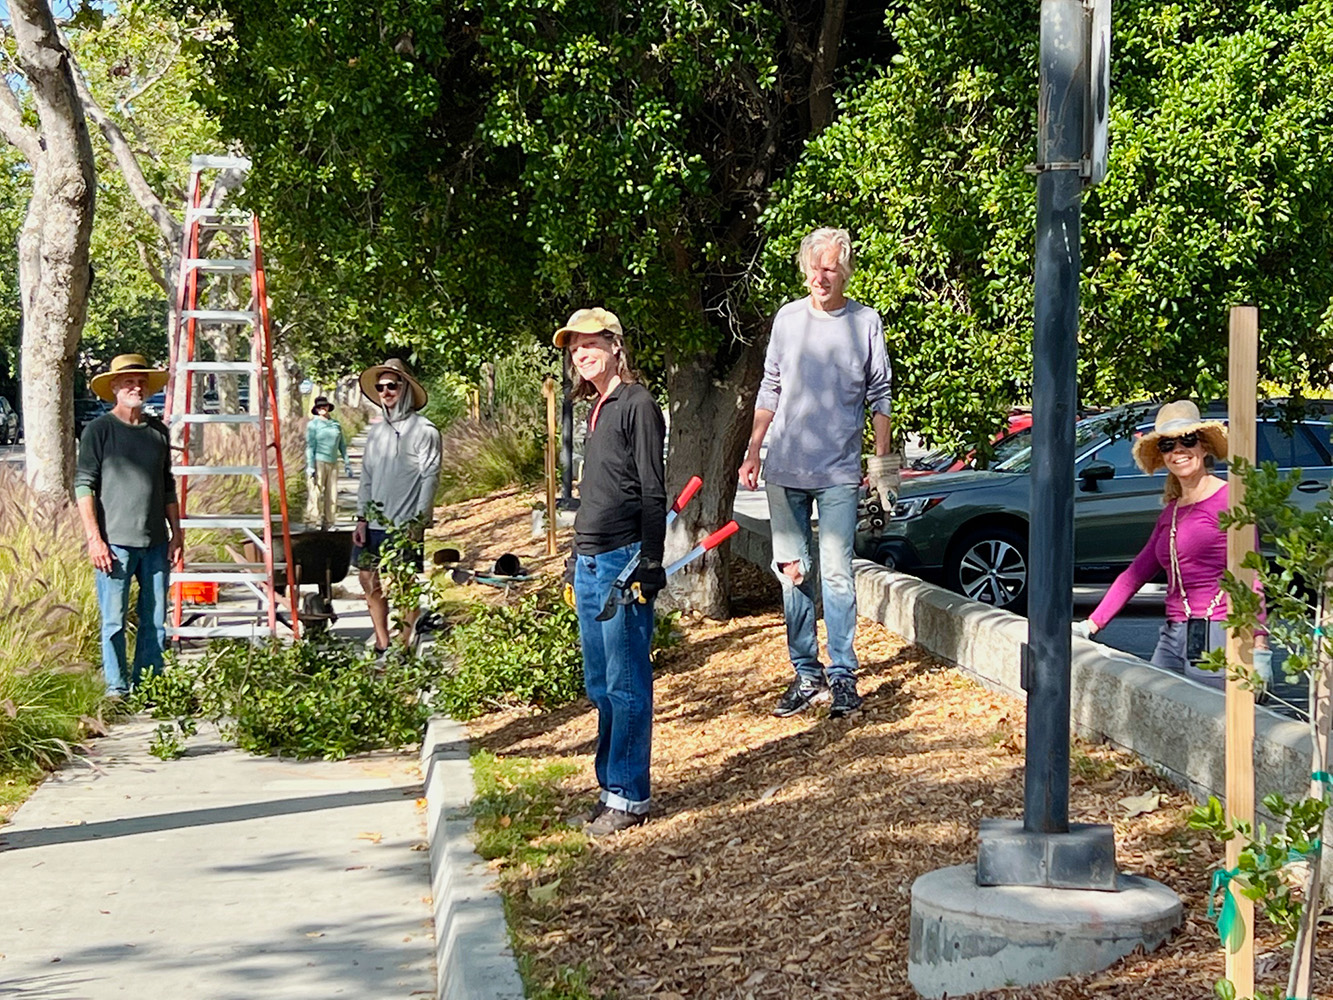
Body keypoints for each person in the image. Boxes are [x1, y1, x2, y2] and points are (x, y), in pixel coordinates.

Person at [739, 227, 896, 719]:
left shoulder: (865, 322)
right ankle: (806, 674)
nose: (820, 277)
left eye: (829, 268)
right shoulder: (787, 319)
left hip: (839, 472)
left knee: (837, 573)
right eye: (814, 268)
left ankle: (843, 674)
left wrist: (882, 463)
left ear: (844, 272)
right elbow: (770, 386)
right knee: (793, 572)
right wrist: (753, 450)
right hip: (785, 468)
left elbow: (880, 395)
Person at [555, 307, 666, 836]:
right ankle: (609, 790)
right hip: (591, 560)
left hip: (624, 560)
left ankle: (629, 795)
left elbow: (652, 489)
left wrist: (651, 561)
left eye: (591, 343)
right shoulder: (597, 408)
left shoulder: (637, 404)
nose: (582, 353)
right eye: (575, 347)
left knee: (626, 683)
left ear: (616, 346)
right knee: (600, 684)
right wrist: (574, 557)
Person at [1073, 400, 1269, 689]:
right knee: (1152, 702)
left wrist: (1259, 644)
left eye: (1187, 440)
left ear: (1204, 447)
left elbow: (1250, 575)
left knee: (1208, 713)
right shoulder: (1172, 512)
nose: (1178, 451)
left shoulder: (1231, 501)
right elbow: (1135, 574)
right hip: (1173, 634)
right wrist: (1090, 625)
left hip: (1219, 633)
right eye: (1167, 445)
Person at [75, 354, 183, 697]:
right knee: (113, 621)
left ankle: (149, 686)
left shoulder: (157, 432)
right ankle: (117, 688)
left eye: (141, 382)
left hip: (155, 543)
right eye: (128, 382)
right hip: (114, 545)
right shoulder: (98, 431)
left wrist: (177, 533)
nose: (136, 387)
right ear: (115, 388)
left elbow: (167, 485)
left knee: (155, 621)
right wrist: (95, 539)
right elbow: (84, 486)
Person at [352, 359, 442, 653]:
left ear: (406, 389)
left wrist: (420, 520)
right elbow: (366, 476)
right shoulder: (376, 432)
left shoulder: (425, 430)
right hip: (374, 522)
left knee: (403, 582)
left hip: (404, 523)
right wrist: (361, 518)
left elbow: (430, 476)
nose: (386, 392)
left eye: (392, 385)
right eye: (381, 388)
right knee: (367, 577)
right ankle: (382, 642)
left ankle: (403, 646)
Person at [305, 395, 351, 530]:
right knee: (315, 492)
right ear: (316, 409)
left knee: (332, 494)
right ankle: (312, 522)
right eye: (319, 407)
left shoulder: (336, 424)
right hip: (318, 462)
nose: (322, 409)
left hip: (333, 463)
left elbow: (342, 445)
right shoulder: (313, 425)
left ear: (328, 407)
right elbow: (310, 446)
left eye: (324, 406)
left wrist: (347, 462)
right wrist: (310, 465)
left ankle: (329, 523)